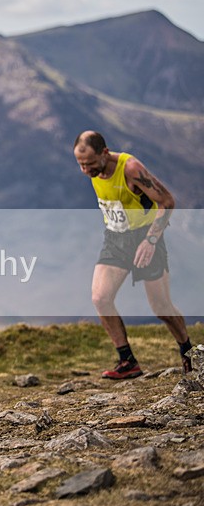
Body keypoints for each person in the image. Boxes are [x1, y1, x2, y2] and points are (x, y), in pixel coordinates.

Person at [73, 130, 197, 379]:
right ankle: (127, 361)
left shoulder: (130, 168)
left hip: (146, 237)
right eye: (80, 164)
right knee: (100, 297)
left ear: (105, 153)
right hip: (116, 238)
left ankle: (190, 353)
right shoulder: (94, 169)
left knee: (161, 307)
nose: (85, 170)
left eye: (90, 164)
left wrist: (151, 240)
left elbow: (168, 201)